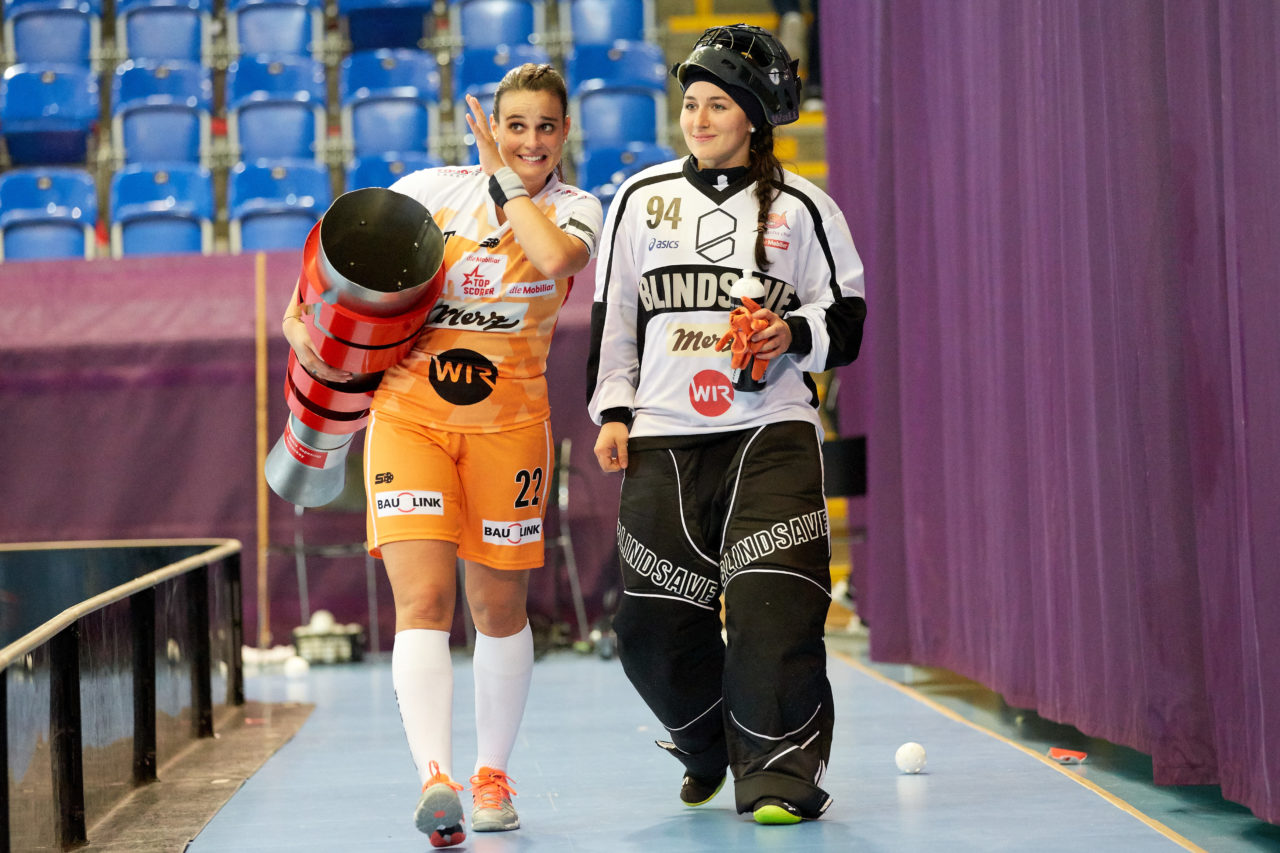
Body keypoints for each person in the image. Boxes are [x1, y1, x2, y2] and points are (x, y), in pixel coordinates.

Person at [283, 63, 602, 848]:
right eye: (514, 124)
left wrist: (504, 181)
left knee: (498, 611)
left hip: (511, 430)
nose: (529, 140)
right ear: (488, 124)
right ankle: (437, 779)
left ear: (565, 134)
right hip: (410, 423)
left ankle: (493, 774)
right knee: (422, 604)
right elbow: (318, 293)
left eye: (545, 127)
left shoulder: (578, 208)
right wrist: (314, 345)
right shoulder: (428, 189)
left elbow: (555, 261)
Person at [586, 24, 866, 826]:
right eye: (691, 104)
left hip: (770, 431)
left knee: (772, 604)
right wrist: (612, 408)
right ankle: (708, 745)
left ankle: (778, 773)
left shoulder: (807, 207)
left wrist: (792, 335)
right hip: (664, 434)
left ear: (752, 116)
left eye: (717, 105)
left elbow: (846, 319)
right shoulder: (640, 199)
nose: (699, 118)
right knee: (648, 623)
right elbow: (614, 320)